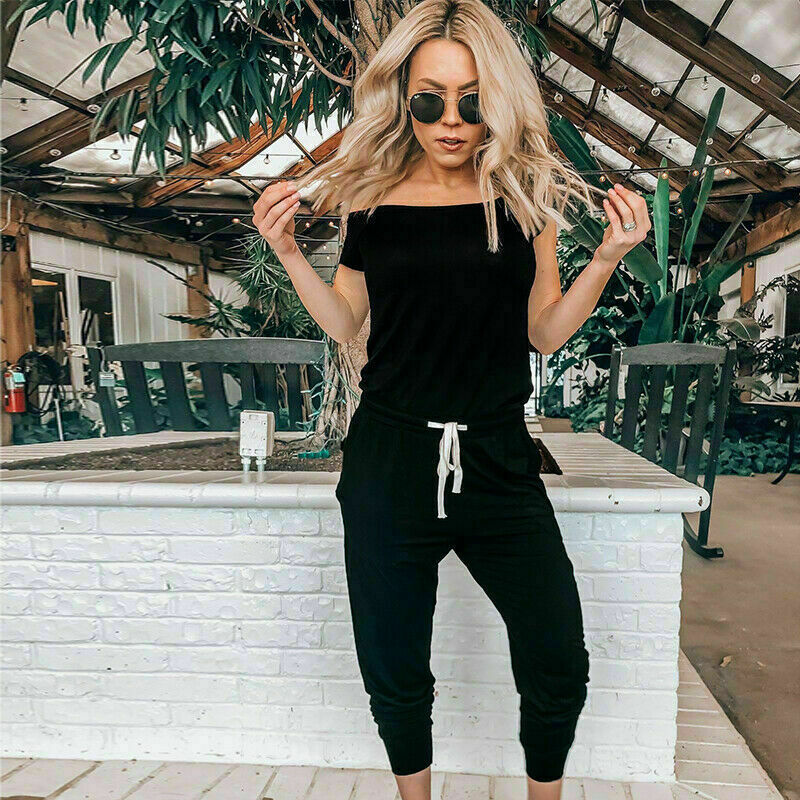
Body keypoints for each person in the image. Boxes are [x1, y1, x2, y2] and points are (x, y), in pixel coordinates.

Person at [252, 1, 651, 797]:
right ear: (402, 96)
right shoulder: (369, 198)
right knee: (394, 664)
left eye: (472, 101)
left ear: (497, 100)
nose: (452, 121)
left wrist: (607, 258)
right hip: (391, 458)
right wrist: (290, 252)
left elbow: (543, 331)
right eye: (430, 100)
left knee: (557, 660)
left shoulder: (523, 197)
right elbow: (346, 321)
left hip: (498, 455)